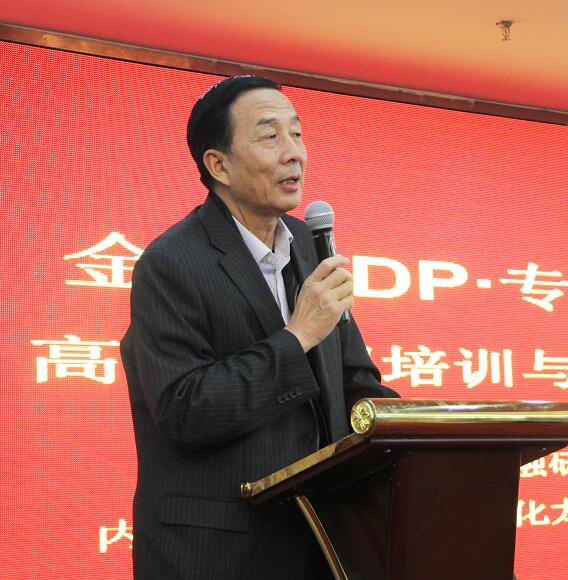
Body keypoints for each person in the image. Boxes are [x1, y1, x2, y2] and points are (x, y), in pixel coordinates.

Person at [120, 75, 398, 579]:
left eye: (297, 133)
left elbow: (354, 381)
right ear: (218, 165)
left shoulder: (309, 244)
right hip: (216, 554)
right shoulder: (171, 263)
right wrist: (298, 337)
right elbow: (184, 408)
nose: (294, 153)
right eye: (270, 136)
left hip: (319, 542)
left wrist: (416, 430)